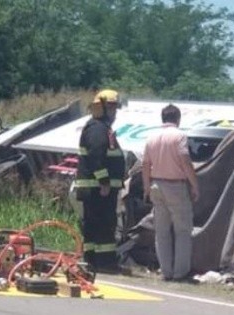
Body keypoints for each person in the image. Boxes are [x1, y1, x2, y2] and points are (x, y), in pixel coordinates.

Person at [142, 104, 200, 282]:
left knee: (162, 232)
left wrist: (146, 187)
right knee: (182, 230)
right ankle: (180, 272)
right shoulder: (179, 136)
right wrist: (194, 184)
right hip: (175, 186)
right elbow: (185, 160)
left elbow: (145, 164)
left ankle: (166, 271)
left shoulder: (151, 137)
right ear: (178, 118)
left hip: (156, 184)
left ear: (162, 118)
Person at [74, 89, 128, 274]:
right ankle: (105, 263)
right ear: (102, 108)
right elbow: (96, 156)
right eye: (112, 107)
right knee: (104, 225)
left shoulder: (100, 127)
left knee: (93, 226)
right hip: (98, 189)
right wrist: (104, 181)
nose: (115, 112)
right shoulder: (97, 129)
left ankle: (92, 262)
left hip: (96, 188)